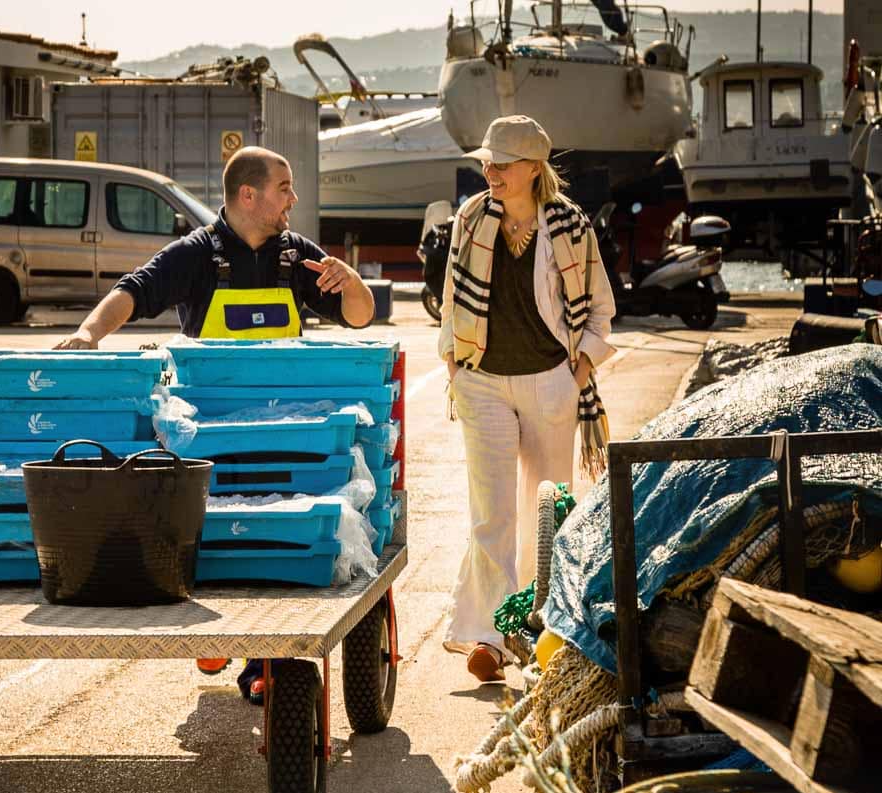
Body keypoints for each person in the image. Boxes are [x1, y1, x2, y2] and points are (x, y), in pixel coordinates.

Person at [54, 146, 376, 702]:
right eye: (284, 187)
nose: (294, 198)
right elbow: (132, 291)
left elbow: (360, 315)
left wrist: (351, 284)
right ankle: (218, 632)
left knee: (278, 540)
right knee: (214, 533)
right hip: (211, 435)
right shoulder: (196, 254)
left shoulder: (297, 256)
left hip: (287, 433)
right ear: (248, 195)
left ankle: (264, 660)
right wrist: (88, 334)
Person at [437, 115, 615, 683]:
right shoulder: (471, 218)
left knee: (549, 513)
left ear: (534, 169)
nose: (490, 173)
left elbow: (601, 308)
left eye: (502, 165)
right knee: (491, 514)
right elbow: (451, 296)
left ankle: (540, 627)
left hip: (549, 381)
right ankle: (490, 636)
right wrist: (453, 365)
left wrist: (578, 372)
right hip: (482, 380)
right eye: (487, 163)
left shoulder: (570, 225)